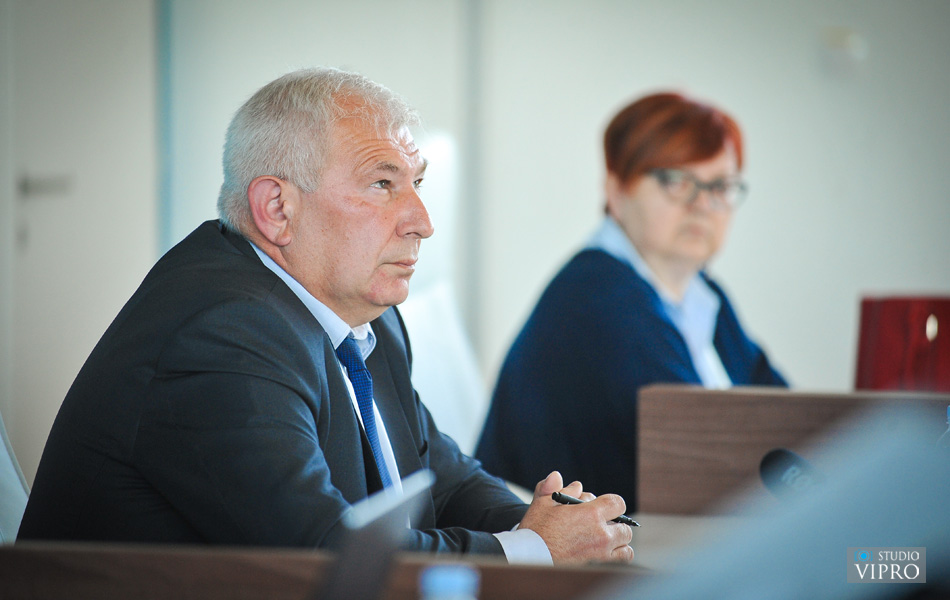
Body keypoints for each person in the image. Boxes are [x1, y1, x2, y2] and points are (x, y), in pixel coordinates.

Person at [17, 68, 634, 564]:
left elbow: (440, 476)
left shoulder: (365, 314)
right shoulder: (221, 333)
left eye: (417, 183)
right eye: (382, 184)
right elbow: (325, 555)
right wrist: (531, 550)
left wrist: (550, 525)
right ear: (277, 209)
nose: (422, 222)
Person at [476, 92, 788, 511]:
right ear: (617, 190)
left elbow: (783, 419)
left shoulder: (701, 293)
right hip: (556, 548)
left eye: (720, 186)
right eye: (677, 181)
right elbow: (705, 463)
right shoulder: (601, 300)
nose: (702, 205)